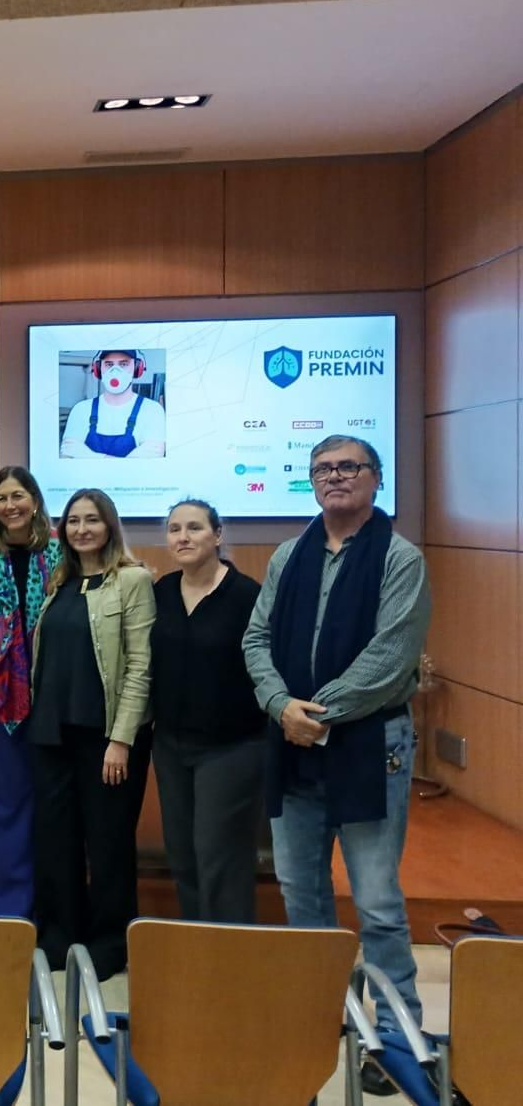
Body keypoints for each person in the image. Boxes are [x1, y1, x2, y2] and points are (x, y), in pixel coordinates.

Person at [242, 436, 430, 1095]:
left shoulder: (399, 558)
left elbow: (392, 657)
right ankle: (325, 1019)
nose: (335, 477)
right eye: (323, 468)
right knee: (302, 894)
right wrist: (275, 702)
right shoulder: (290, 555)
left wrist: (310, 716)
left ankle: (400, 1042)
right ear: (311, 482)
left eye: (350, 467)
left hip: (367, 745)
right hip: (291, 746)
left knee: (377, 902)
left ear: (376, 480)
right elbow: (256, 638)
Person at [27, 488, 154, 979]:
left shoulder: (133, 581)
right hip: (53, 734)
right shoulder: (59, 582)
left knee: (107, 843)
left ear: (110, 526)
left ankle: (108, 944)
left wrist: (121, 738)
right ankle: (59, 938)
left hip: (107, 739)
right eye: (73, 520)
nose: (81, 529)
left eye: (92, 520)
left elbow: (141, 665)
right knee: (56, 841)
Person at [150, 499, 264, 923]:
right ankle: (196, 951)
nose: (183, 537)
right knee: (182, 855)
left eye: (194, 528)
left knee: (220, 858)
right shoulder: (159, 592)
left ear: (217, 536)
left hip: (232, 747)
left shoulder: (247, 595)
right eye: (175, 529)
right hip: (171, 746)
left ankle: (229, 959)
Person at [0, 466, 61, 919]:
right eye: (2, 498)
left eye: (18, 495)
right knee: (5, 799)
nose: (10, 505)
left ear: (36, 499)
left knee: (52, 799)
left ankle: (51, 911)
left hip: (54, 683)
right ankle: (10, 912)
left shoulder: (65, 552)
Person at [60, 349, 166, 459]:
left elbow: (149, 462)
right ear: (98, 369)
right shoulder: (80, 410)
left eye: (124, 364)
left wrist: (87, 455)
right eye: (109, 364)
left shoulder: (152, 410)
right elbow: (68, 454)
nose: (115, 371)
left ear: (137, 368)